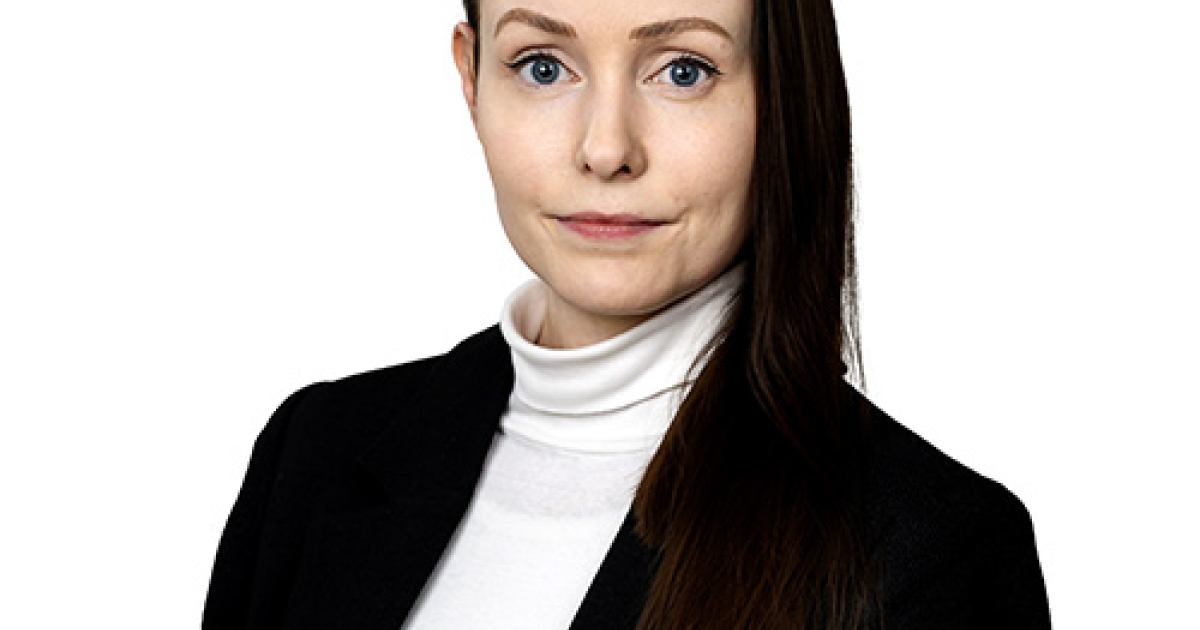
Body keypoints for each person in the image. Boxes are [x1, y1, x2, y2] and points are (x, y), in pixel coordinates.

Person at [202, 0, 1052, 628]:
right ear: (470, 79)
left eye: (684, 70)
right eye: (543, 66)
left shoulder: (935, 551)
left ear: (783, 94)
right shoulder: (314, 452)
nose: (606, 148)